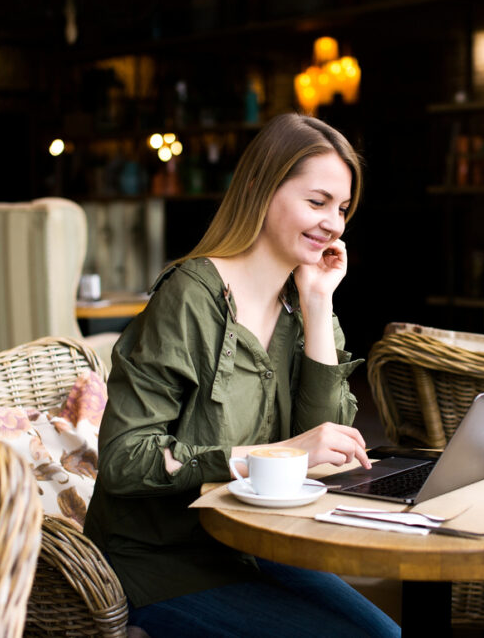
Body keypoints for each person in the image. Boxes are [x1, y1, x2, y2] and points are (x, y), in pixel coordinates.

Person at [84, 113, 400, 637]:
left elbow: (322, 449)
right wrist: (271, 456)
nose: (334, 224)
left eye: (342, 208)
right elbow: (122, 458)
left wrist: (319, 302)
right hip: (163, 563)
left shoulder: (300, 303)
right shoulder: (190, 296)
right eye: (316, 202)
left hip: (259, 544)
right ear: (259, 188)